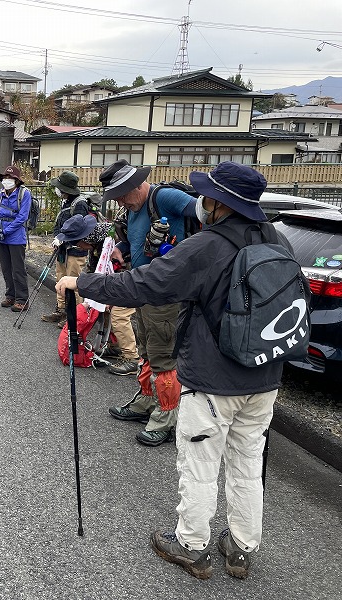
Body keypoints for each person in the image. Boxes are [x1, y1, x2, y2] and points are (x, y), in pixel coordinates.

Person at [57, 161, 287, 580]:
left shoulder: (208, 246)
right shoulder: (277, 239)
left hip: (214, 378)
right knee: (247, 463)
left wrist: (83, 284)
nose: (202, 204)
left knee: (200, 463)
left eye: (208, 198)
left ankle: (191, 545)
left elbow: (145, 284)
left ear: (220, 203)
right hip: (265, 374)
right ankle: (241, 548)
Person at [98, 159, 197, 446]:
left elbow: (206, 213)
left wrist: (182, 252)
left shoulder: (164, 197)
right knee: (146, 348)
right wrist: (121, 248)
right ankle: (146, 400)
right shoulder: (134, 209)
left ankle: (167, 416)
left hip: (166, 293)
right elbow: (135, 241)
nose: (119, 202)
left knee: (163, 354)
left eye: (121, 195)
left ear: (137, 185)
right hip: (144, 289)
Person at [41, 171, 91, 326]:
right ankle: (61, 310)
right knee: (61, 279)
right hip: (63, 249)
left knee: (74, 284)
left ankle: (75, 317)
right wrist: (57, 237)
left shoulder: (80, 204)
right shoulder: (67, 201)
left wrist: (63, 238)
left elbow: (79, 230)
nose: (57, 190)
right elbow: (59, 225)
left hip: (75, 250)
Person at [0, 165, 32, 311]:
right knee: (6, 269)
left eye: (10, 178)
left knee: (18, 269)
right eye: (5, 177)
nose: (7, 180)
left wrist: (5, 231)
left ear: (17, 180)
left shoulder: (24, 194)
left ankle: (22, 299)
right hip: (1, 236)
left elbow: (22, 217)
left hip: (16, 237)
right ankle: (11, 295)